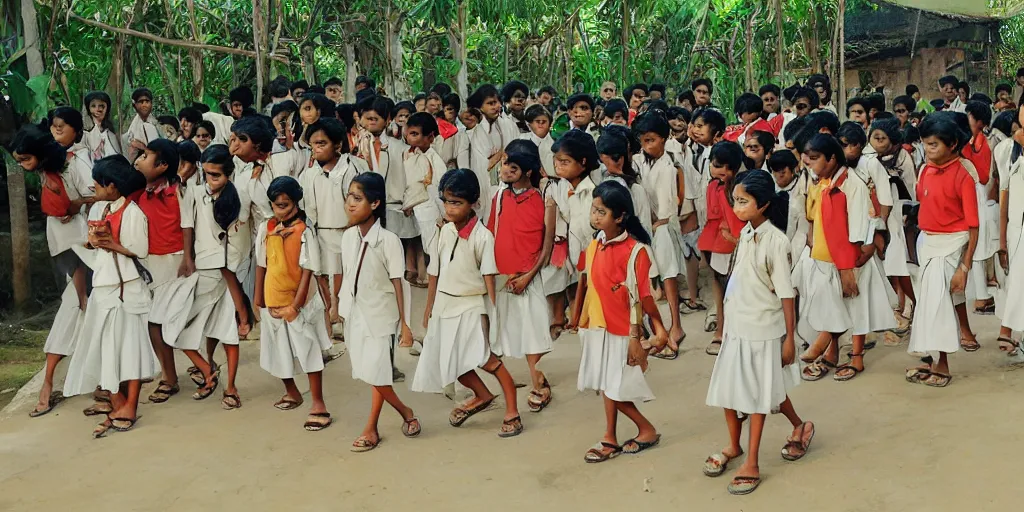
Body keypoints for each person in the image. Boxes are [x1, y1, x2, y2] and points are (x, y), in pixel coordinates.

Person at [704, 170, 813, 495]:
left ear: (763, 204)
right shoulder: (747, 235)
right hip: (738, 327)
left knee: (757, 397)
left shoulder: (776, 242)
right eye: (735, 201)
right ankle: (740, 443)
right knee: (731, 389)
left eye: (742, 201)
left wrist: (790, 338)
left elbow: (785, 293)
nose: (736, 208)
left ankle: (751, 460)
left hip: (763, 330)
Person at [411, 168, 523, 436]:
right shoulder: (444, 231)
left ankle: (513, 412)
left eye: (457, 203)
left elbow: (488, 279)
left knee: (488, 360)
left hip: (472, 306)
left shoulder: (483, 237)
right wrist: (429, 307)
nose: (450, 209)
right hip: (445, 305)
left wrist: (494, 317)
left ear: (473, 203)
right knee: (448, 362)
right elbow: (434, 271)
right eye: (447, 202)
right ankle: (482, 395)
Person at [569, 180, 668, 463]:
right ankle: (610, 437)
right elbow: (586, 284)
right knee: (606, 384)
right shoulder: (594, 245)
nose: (595, 216)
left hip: (623, 330)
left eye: (602, 212)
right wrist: (578, 318)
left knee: (614, 386)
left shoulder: (636, 251)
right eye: (594, 210)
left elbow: (642, 297)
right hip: (597, 326)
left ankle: (644, 429)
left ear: (620, 216)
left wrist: (654, 329)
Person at [62, 155, 154, 437]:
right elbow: (96, 245)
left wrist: (112, 244)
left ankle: (130, 405)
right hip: (104, 284)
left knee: (130, 347)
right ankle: (117, 400)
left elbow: (140, 249)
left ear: (112, 187)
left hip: (125, 287)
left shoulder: (134, 213)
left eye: (97, 185)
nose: (93, 188)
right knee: (104, 347)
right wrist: (93, 242)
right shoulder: (101, 210)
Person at [12, 126, 94, 417]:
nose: (22, 166)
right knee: (74, 316)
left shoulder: (74, 166)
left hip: (84, 250)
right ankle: (55, 384)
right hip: (66, 251)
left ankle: (50, 386)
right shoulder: (46, 172)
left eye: (24, 159)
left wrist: (76, 204)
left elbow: (101, 193)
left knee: (76, 314)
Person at [337, 172, 420, 451]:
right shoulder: (348, 238)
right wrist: (338, 308)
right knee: (368, 371)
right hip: (356, 314)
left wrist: (405, 325)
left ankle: (371, 428)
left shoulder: (388, 240)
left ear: (374, 204)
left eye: (357, 198)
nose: (350, 204)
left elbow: (400, 284)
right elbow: (348, 276)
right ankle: (405, 412)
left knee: (377, 373)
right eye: (349, 196)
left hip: (382, 317)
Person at [167, 144, 253, 409]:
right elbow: (187, 225)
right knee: (176, 327)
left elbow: (235, 251)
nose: (210, 180)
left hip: (229, 271)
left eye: (216, 175)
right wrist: (187, 258)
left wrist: (241, 308)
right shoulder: (193, 193)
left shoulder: (239, 198)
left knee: (228, 332)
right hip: (204, 270)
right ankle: (208, 369)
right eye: (206, 174)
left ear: (229, 173)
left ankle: (231, 386)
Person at [799, 134, 890, 382]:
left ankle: (857, 358)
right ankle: (831, 353)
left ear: (831, 158)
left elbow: (859, 229)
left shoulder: (853, 185)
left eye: (815, 159)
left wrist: (848, 267)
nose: (811, 165)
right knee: (834, 307)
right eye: (808, 161)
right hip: (829, 257)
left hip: (852, 257)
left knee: (855, 306)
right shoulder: (825, 183)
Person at [252, 176, 333, 430]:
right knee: (277, 349)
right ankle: (292, 391)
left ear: (296, 204)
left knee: (308, 349)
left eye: (285, 205)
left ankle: (318, 403)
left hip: (299, 302)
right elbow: (261, 265)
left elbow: (309, 270)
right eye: (276, 205)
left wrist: (295, 307)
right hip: (272, 298)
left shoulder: (304, 231)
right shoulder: (266, 230)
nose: (280, 210)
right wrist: (258, 300)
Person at [906, 115, 979, 387]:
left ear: (952, 144)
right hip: (928, 242)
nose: (928, 150)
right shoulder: (925, 170)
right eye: (925, 144)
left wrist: (965, 267)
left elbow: (973, 227)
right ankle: (933, 357)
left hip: (952, 243)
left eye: (934, 144)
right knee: (926, 304)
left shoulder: (963, 175)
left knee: (939, 305)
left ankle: (944, 363)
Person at [488, 140, 557, 412]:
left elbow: (546, 245)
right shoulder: (499, 198)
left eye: (512, 167)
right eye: (504, 164)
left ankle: (538, 381)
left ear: (528, 171)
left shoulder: (543, 200)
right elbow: (492, 233)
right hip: (504, 277)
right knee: (506, 329)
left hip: (530, 276)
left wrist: (529, 275)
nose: (505, 170)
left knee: (533, 330)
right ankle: (508, 382)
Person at [132, 139, 192, 404]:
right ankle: (170, 375)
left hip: (174, 260)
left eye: (145, 156)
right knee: (155, 324)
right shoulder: (139, 191)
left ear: (163, 165)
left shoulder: (178, 190)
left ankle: (174, 376)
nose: (138, 160)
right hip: (150, 262)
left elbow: (187, 225)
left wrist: (188, 258)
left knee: (161, 323)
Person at [298, 117, 367, 349]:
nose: (316, 149)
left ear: (337, 145)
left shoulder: (354, 167)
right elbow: (307, 207)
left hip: (348, 232)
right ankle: (329, 324)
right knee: (323, 280)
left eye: (321, 143)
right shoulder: (309, 174)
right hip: (320, 233)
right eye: (313, 145)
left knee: (347, 279)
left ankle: (349, 324)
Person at [631, 112, 686, 358]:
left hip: (662, 227)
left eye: (651, 140)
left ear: (663, 139)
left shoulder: (668, 167)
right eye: (643, 140)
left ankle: (676, 325)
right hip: (645, 226)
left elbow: (668, 208)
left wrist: (654, 224)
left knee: (668, 275)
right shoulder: (637, 161)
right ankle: (655, 328)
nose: (646, 146)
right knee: (647, 279)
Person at [869, 118, 918, 335]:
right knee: (885, 262)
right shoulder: (867, 158)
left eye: (882, 138)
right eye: (874, 138)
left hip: (898, 214)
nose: (877, 143)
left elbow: (911, 189)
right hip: (875, 212)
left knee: (899, 263)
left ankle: (912, 303)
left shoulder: (902, 157)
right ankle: (899, 302)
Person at [697, 142, 746, 356]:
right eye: (718, 166)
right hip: (716, 242)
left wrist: (735, 239)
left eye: (728, 168)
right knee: (718, 284)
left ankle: (732, 331)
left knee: (735, 289)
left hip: (734, 243)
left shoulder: (736, 188)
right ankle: (721, 328)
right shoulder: (711, 187)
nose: (722, 172)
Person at [962, 101, 999, 318]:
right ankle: (981, 296)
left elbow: (984, 175)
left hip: (978, 195)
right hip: (973, 196)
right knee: (975, 248)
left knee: (977, 247)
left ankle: (981, 296)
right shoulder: (973, 141)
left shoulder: (981, 144)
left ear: (979, 122)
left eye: (970, 117)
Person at [402, 112, 446, 291]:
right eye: (409, 133)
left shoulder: (434, 160)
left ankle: (438, 285)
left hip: (431, 210)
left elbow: (438, 191)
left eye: (415, 134)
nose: (409, 137)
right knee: (425, 246)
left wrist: (444, 216)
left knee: (433, 248)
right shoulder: (410, 154)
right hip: (417, 208)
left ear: (430, 137)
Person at [123, 87, 162, 161]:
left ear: (151, 103)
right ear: (134, 105)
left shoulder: (155, 123)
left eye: (147, 101)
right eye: (141, 102)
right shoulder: (134, 126)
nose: (144, 105)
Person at [82, 91, 122, 159]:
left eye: (101, 106)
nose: (97, 110)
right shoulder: (83, 134)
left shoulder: (110, 134)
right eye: (93, 106)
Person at [520, 104, 555, 177]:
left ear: (550, 124)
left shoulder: (556, 143)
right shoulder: (521, 140)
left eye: (544, 121)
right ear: (529, 124)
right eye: (538, 121)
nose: (541, 124)